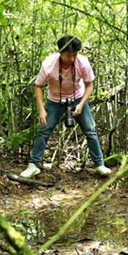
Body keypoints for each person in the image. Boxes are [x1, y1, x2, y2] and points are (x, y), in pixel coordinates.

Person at [20, 35, 112, 178]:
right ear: (61, 52)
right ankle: (33, 165)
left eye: (74, 55)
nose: (72, 59)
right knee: (44, 130)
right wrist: (42, 110)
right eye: (68, 55)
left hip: (78, 98)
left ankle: (99, 164)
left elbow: (89, 85)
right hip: (55, 100)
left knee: (90, 130)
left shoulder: (82, 62)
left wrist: (81, 104)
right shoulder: (49, 64)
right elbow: (38, 86)